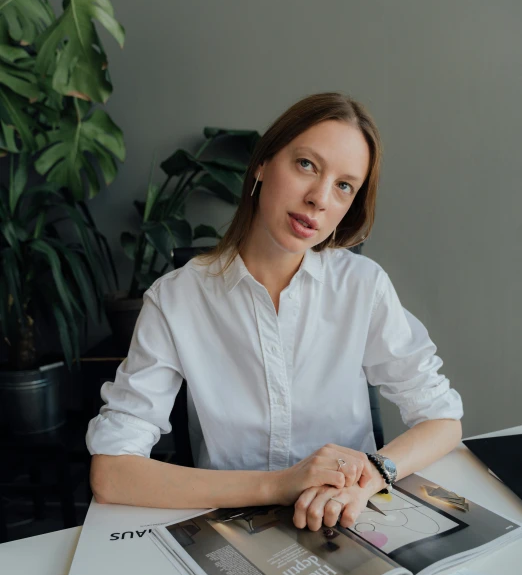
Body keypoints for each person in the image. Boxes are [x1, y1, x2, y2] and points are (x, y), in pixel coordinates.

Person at [87, 91, 463, 533]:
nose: (320, 199)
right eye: (307, 165)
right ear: (263, 165)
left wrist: (372, 475)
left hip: (350, 521)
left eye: (344, 186)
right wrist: (279, 486)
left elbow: (442, 419)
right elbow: (112, 473)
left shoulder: (363, 286)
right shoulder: (176, 300)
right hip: (232, 529)